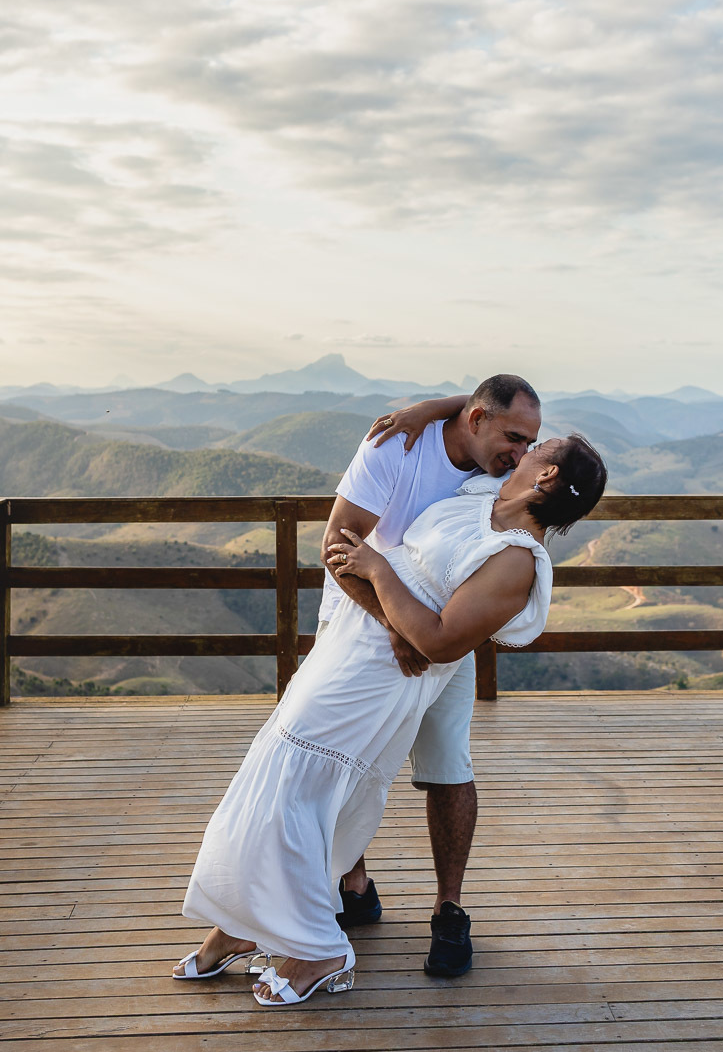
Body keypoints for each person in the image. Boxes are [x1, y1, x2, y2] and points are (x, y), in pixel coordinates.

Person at [173, 433, 607, 1007]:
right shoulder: (482, 495)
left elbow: (440, 642)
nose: (521, 449)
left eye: (536, 447)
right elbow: (470, 414)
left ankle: (318, 950)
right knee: (278, 778)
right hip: (346, 646)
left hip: (381, 676)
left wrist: (376, 569)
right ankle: (246, 922)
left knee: (293, 788)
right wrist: (418, 413)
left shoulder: (516, 560)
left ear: (546, 476)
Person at [319, 374, 541, 977]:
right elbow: (335, 546)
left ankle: (449, 909)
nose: (520, 454)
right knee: (347, 762)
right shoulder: (394, 450)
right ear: (476, 420)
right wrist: (393, 623)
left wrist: (431, 405)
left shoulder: (504, 470)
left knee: (449, 766)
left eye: (529, 444)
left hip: (443, 638)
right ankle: (354, 885)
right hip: (361, 623)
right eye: (513, 437)